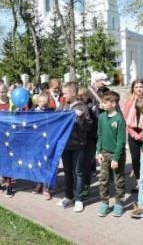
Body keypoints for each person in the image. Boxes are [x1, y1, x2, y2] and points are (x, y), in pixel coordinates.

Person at [57, 82, 92, 213]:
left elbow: (88, 127)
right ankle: (68, 196)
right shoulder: (63, 106)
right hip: (65, 145)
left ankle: (79, 199)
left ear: (73, 93)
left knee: (78, 172)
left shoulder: (82, 107)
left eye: (65, 93)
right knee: (67, 171)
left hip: (78, 145)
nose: (63, 95)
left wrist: (81, 117)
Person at [96, 91, 126, 217]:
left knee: (118, 180)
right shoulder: (102, 117)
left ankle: (119, 203)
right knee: (103, 179)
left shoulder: (119, 119)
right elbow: (100, 135)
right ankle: (104, 202)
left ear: (113, 103)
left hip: (116, 156)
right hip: (104, 154)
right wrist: (98, 152)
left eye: (104, 102)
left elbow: (121, 140)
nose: (102, 104)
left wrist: (116, 158)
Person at [32, 93, 52, 200]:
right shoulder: (32, 112)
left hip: (46, 142)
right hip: (36, 142)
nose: (43, 105)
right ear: (37, 102)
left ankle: (45, 187)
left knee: (46, 164)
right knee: (36, 163)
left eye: (45, 103)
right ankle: (38, 184)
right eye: (41, 102)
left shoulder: (50, 112)